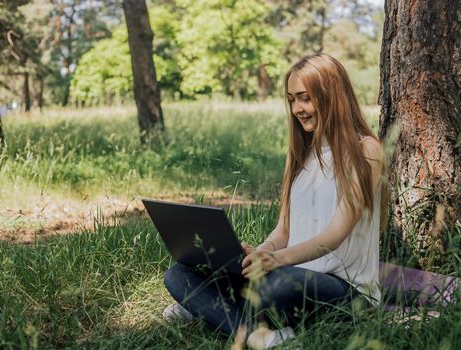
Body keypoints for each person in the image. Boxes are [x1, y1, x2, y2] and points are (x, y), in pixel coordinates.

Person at [163, 53, 385, 349]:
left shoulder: (366, 149)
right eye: (292, 99)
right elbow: (284, 230)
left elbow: (336, 234)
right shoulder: (300, 154)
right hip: (288, 272)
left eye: (305, 98)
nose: (297, 109)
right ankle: (257, 337)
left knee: (275, 287)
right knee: (178, 273)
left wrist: (276, 261)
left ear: (331, 95)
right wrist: (262, 252)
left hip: (343, 289)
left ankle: (206, 308)